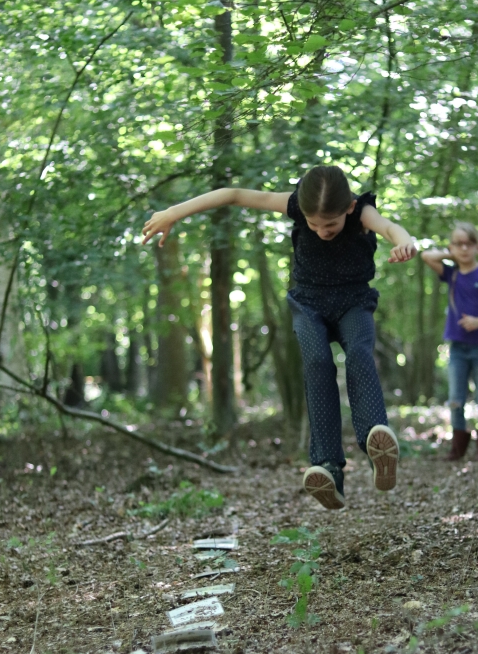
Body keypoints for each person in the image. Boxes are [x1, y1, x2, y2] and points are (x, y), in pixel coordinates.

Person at [142, 166, 416, 509]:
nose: (321, 232)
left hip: (353, 301)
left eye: (329, 225)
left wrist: (405, 242)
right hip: (309, 303)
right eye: (312, 225)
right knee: (317, 365)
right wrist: (172, 213)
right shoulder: (295, 206)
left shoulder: (361, 210)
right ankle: (329, 467)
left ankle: (377, 442)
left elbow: (390, 228)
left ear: (348, 207)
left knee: (359, 353)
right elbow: (234, 194)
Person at [422, 223, 478, 460]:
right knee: (455, 400)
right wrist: (451, 254)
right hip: (458, 346)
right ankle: (458, 447)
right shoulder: (452, 273)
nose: (463, 248)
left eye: (468, 244)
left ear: (477, 246)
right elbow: (426, 256)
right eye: (457, 244)